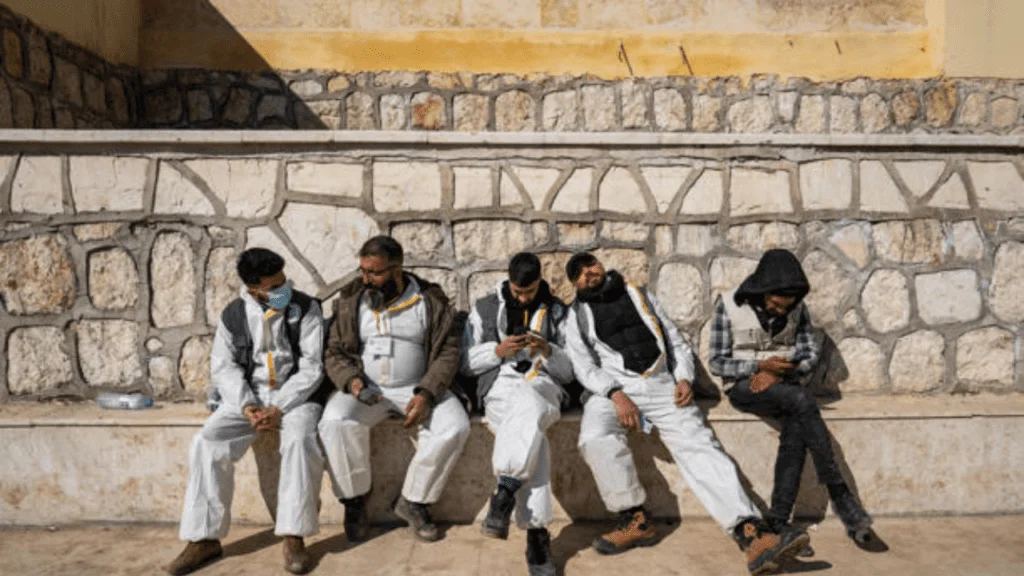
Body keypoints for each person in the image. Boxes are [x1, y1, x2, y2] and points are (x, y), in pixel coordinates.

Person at [562, 252, 809, 575]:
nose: (587, 273)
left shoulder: (640, 295)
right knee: (594, 437)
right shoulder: (574, 316)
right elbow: (583, 366)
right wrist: (615, 394)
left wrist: (682, 378)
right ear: (575, 283)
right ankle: (633, 518)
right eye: (578, 273)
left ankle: (749, 531)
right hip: (613, 389)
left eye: (589, 265)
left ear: (600, 265)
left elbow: (674, 340)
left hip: (661, 383)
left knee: (698, 446)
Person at [167, 248, 325, 575]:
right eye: (274, 286)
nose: (284, 290)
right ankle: (204, 538)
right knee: (208, 441)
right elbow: (223, 367)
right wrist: (247, 404)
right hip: (248, 396)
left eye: (284, 281)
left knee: (299, 439)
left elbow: (312, 367)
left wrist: (279, 407)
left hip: (295, 395)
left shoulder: (306, 308)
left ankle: (294, 534)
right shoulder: (233, 315)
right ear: (254, 288)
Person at [710, 249, 872, 540]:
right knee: (802, 401)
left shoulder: (797, 307)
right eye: (775, 304)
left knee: (797, 425)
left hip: (786, 386)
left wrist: (780, 372)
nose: (781, 311)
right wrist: (758, 367)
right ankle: (839, 492)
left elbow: (810, 352)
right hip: (745, 387)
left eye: (786, 306)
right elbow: (717, 361)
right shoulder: (728, 304)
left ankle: (778, 522)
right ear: (762, 291)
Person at [319, 236, 470, 544]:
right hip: (367, 392)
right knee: (335, 420)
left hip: (419, 389)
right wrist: (351, 381)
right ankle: (354, 501)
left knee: (455, 425)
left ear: (397, 269)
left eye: (374, 273)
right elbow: (334, 351)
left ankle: (414, 500)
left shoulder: (430, 301)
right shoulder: (351, 300)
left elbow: (448, 351)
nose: (366, 279)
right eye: (362, 271)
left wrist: (427, 393)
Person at [462, 252, 574, 576]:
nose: (522, 297)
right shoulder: (484, 308)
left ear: (541, 281)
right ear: (508, 281)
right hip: (500, 385)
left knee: (529, 402)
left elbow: (569, 373)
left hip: (543, 383)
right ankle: (537, 538)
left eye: (529, 291)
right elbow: (466, 364)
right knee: (531, 435)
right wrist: (497, 351)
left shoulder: (558, 312)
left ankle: (505, 492)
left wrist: (548, 351)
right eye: (517, 290)